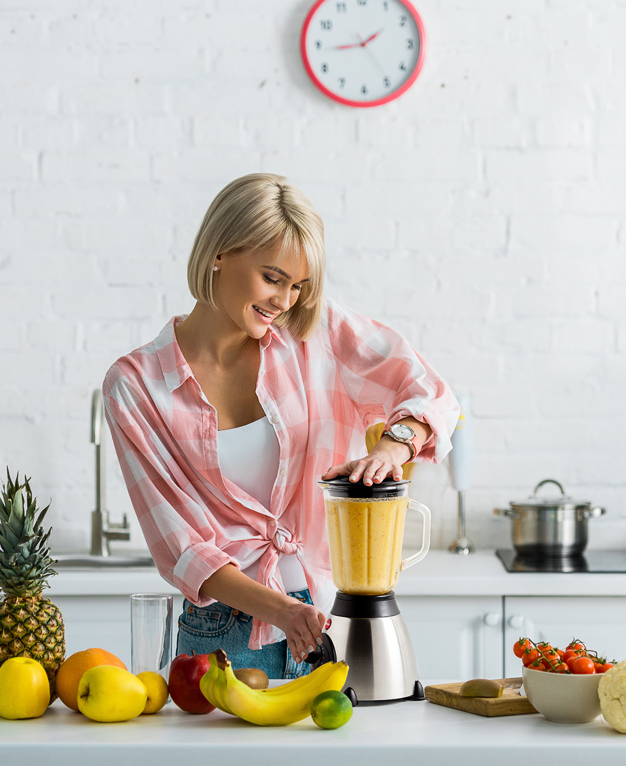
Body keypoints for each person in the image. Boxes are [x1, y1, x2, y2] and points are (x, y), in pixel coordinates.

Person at [102, 173, 460, 679]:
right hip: (222, 637)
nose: (285, 301)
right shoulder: (135, 386)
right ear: (219, 252)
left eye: (298, 286)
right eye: (272, 278)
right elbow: (183, 549)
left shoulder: (317, 332)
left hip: (331, 618)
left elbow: (431, 392)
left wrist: (390, 449)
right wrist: (283, 612)